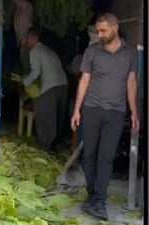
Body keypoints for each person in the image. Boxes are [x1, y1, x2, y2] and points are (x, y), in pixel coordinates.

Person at [70, 13, 139, 220]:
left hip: (116, 112)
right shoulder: (92, 52)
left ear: (115, 28)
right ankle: (93, 195)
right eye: (98, 31)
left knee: (106, 157)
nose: (99, 34)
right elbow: (84, 81)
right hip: (92, 109)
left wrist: (134, 111)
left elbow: (131, 82)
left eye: (103, 31)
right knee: (88, 155)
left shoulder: (130, 53)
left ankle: (99, 200)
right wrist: (77, 110)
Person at [13, 27, 68, 151]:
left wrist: (24, 82)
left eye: (28, 38)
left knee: (44, 116)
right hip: (63, 85)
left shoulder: (35, 51)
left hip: (51, 86)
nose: (26, 41)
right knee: (57, 116)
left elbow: (36, 72)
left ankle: (45, 146)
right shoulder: (49, 51)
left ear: (34, 38)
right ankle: (55, 144)